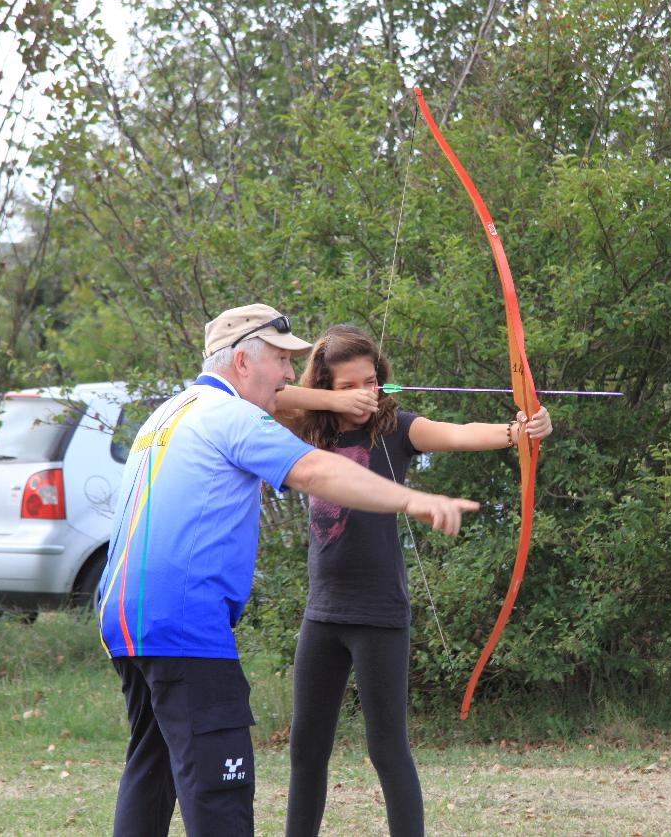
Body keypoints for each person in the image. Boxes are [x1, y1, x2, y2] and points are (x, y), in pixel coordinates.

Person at [95, 304, 479, 837]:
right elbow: (318, 470)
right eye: (280, 359)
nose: (287, 376)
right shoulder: (231, 416)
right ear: (244, 361)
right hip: (186, 625)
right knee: (219, 788)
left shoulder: (169, 412)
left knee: (151, 767)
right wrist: (412, 501)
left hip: (125, 622)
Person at [275, 324, 552, 837]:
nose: (366, 393)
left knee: (387, 748)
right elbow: (269, 395)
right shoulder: (309, 431)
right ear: (324, 388)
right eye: (349, 385)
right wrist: (326, 403)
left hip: (378, 614)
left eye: (372, 381)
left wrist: (519, 431)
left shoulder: (396, 428)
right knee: (306, 748)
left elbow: (459, 431)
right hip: (322, 614)